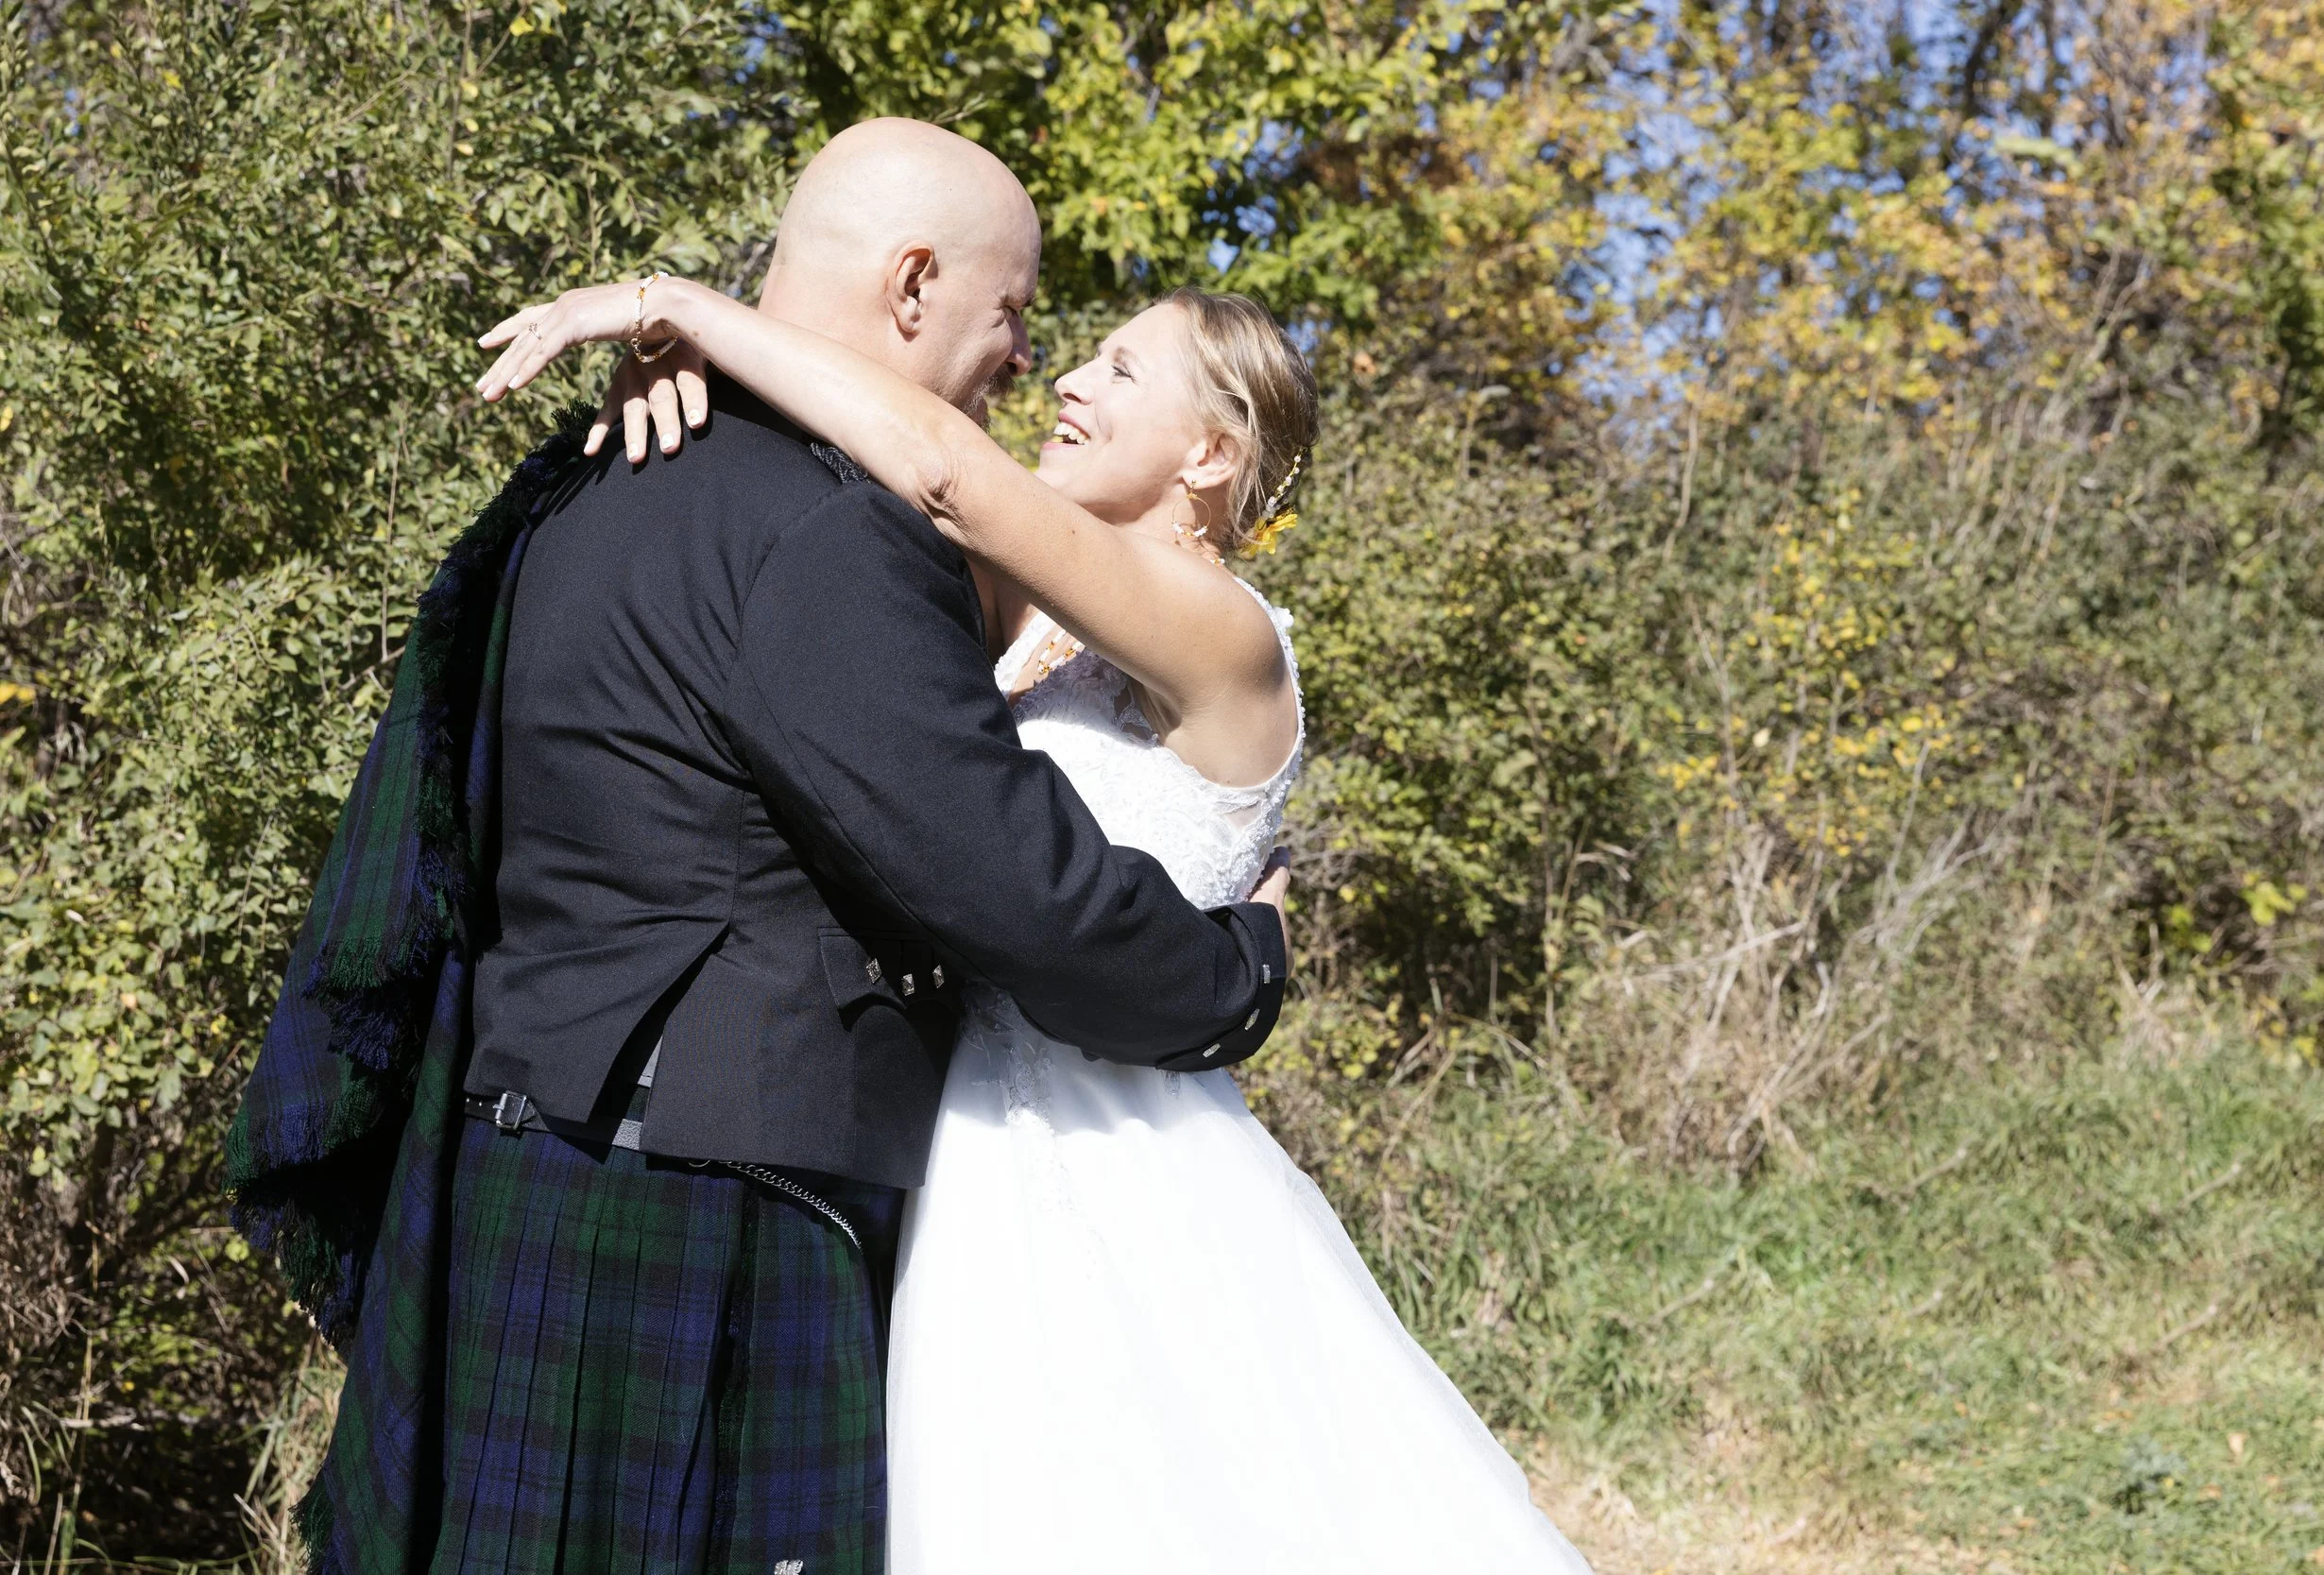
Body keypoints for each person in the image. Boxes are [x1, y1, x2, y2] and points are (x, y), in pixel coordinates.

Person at [478, 123, 1594, 1574]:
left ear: (1211, 452)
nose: (1062, 375)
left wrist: (685, 306)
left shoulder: (1226, 632)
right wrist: (700, 377)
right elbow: (865, 467)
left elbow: (940, 469)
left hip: (1119, 1154)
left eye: (1120, 370)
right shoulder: (1044, 601)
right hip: (967, 1152)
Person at [424, 118, 1292, 1575]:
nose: (1036, 361)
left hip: (534, 1141)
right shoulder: (832, 528)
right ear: (913, 285)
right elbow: (1010, 879)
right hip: (722, 1184)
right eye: (1016, 312)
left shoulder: (589, 478)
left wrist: (691, 327)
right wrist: (1238, 975)